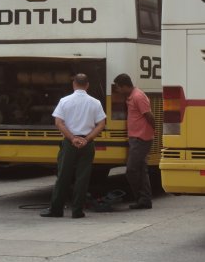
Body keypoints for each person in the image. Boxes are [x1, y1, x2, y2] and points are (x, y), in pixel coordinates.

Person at [41, 74, 106, 218]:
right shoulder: (95, 103)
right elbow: (101, 124)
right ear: (87, 85)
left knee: (63, 176)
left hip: (69, 144)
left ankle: (56, 210)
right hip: (87, 145)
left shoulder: (64, 101)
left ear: (74, 84)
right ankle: (77, 211)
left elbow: (58, 122)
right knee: (82, 178)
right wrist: (87, 139)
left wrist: (72, 138)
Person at [113, 73, 155, 210]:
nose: (117, 91)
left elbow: (149, 115)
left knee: (131, 169)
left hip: (141, 138)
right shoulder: (131, 96)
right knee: (141, 170)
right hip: (136, 137)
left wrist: (152, 131)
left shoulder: (138, 96)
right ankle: (145, 200)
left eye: (118, 88)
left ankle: (141, 198)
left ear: (125, 86)